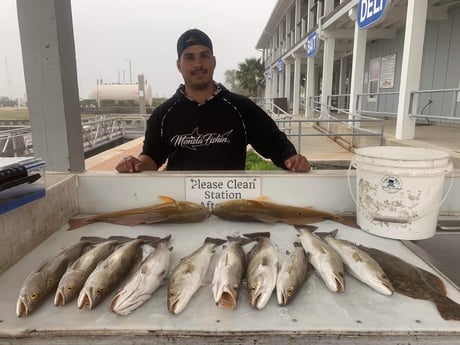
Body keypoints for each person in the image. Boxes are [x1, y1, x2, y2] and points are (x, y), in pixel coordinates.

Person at [116, 29, 310, 173]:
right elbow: (151, 156)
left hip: (231, 204)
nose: (198, 64)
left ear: (214, 61)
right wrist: (135, 164)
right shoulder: (163, 114)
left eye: (204, 56)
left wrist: (292, 159)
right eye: (189, 57)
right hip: (180, 206)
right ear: (179, 65)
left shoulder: (241, 108)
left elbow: (274, 143)